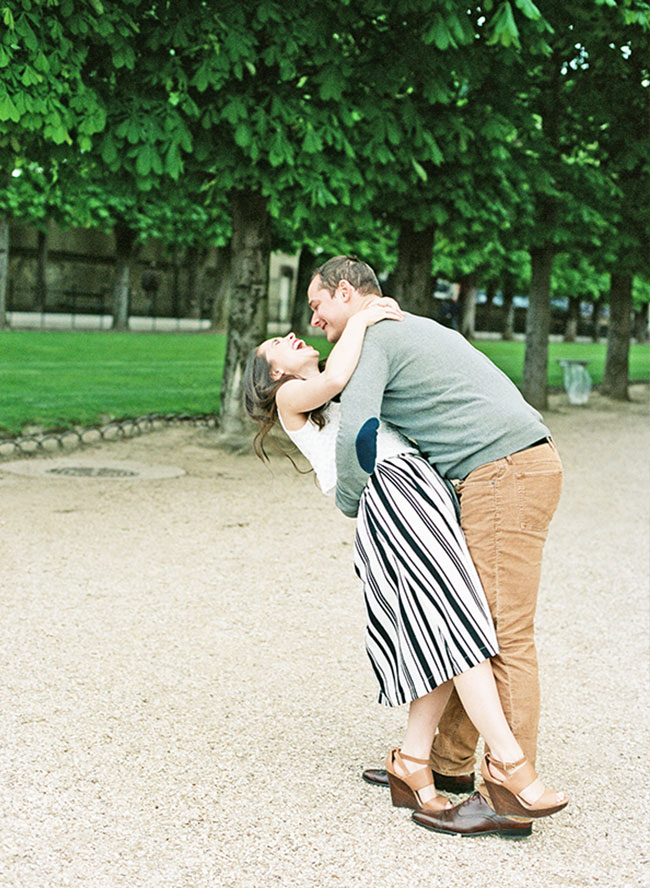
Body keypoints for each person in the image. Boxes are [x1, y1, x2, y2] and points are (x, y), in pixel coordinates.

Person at [243, 300, 567, 834]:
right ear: (273, 373)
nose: (291, 334)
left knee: (445, 635)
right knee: (459, 631)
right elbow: (341, 375)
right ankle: (512, 767)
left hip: (419, 493)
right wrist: (365, 318)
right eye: (278, 344)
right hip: (394, 501)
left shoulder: (333, 381)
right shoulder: (291, 398)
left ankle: (413, 761)